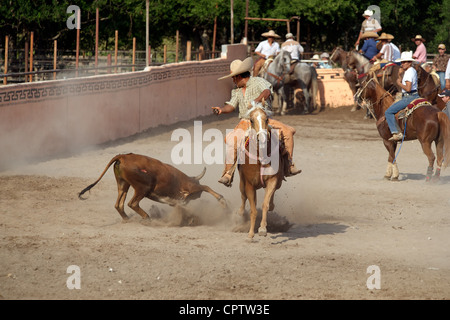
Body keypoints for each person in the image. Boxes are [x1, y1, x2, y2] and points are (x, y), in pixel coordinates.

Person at [212, 57, 301, 187]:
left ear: (238, 76)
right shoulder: (236, 91)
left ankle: (288, 165)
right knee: (232, 140)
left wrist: (258, 100)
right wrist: (221, 110)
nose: (232, 80)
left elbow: (267, 91)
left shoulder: (258, 81)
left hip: (263, 118)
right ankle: (228, 173)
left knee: (287, 132)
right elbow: (231, 106)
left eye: (233, 77)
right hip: (245, 122)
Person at [385, 51, 419, 141]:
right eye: (402, 62)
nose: (402, 64)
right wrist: (400, 75)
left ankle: (396, 132)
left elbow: (408, 88)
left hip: (409, 97)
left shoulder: (409, 72)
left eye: (405, 62)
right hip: (414, 95)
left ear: (410, 62)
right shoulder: (410, 71)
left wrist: (399, 83)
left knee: (388, 112)